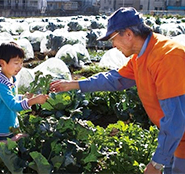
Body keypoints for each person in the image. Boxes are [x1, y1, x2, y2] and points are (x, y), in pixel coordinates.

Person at [50, 7, 185, 174]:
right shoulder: (141, 56)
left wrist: (156, 164)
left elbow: (175, 120)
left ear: (128, 34)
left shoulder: (167, 57)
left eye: (112, 39)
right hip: (176, 141)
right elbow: (115, 80)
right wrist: (75, 84)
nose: (113, 45)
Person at [0, 41, 48, 140]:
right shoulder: (0, 84)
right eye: (16, 63)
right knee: (3, 153)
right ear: (2, 63)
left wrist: (23, 97)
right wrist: (34, 101)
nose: (20, 67)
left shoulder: (10, 78)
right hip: (1, 130)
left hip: (11, 126)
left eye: (21, 63)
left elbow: (11, 98)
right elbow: (13, 105)